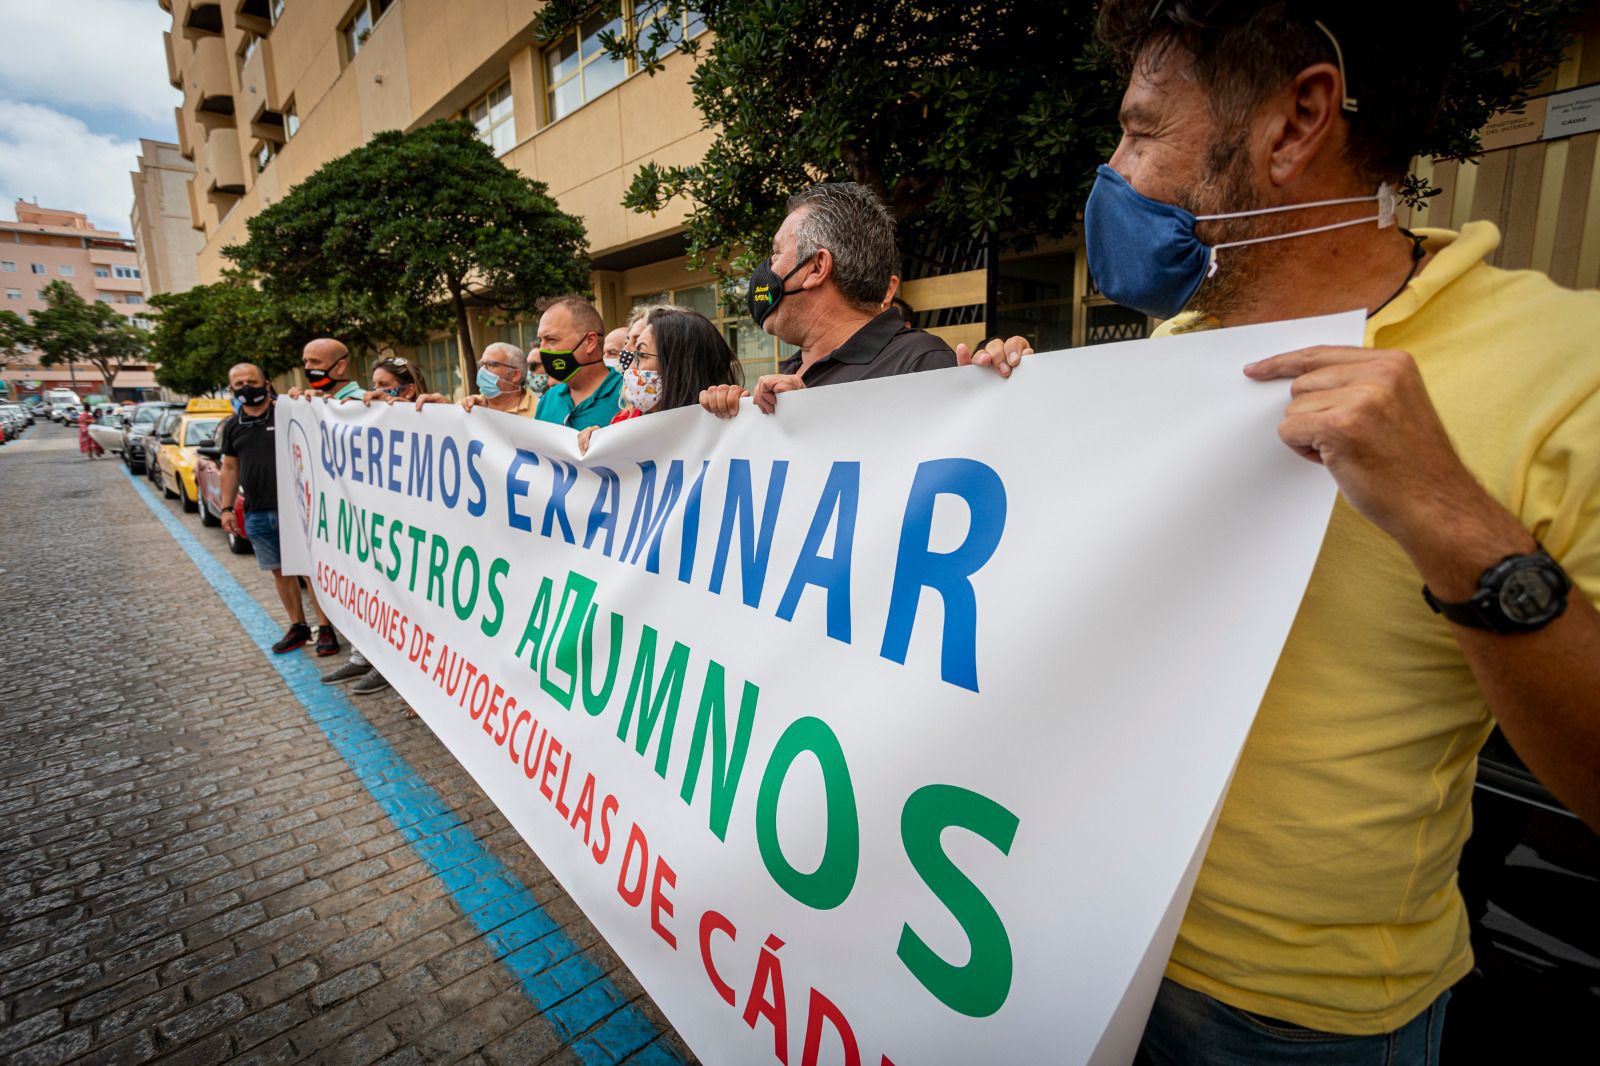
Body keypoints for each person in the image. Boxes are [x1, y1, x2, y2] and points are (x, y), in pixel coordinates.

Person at [1085, 3, 1600, 1062]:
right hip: (1082, 945)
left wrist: (1447, 514)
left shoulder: (1569, 370)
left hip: (1297, 1019)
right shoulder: (1167, 351)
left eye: (1140, 131)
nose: (1113, 169)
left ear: (1296, 122)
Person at [699, 182, 1030, 419]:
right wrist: (728, 421)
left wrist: (1008, 391)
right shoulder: (792, 369)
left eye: (776, 253)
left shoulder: (918, 363)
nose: (767, 268)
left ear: (816, 267)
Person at [314, 355, 434, 700]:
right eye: (375, 384)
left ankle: (391, 668)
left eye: (385, 386)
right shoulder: (371, 415)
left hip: (414, 530)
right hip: (379, 525)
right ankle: (363, 655)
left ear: (408, 389)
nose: (376, 392)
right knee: (370, 590)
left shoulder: (428, 416)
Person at [219, 362, 341, 657]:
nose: (246, 387)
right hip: (257, 510)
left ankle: (325, 628)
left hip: (297, 509)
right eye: (239, 383)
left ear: (267, 383)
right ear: (231, 389)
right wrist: (225, 508)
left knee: (309, 571)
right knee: (280, 572)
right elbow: (230, 468)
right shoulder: (233, 426)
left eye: (252, 380)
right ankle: (298, 625)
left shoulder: (290, 412)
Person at [577, 307, 741, 455]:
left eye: (641, 354)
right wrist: (599, 444)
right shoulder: (624, 422)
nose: (630, 367)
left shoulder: (725, 418)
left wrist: (731, 409)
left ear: (680, 364)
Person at [533, 295, 623, 430]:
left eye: (551, 339)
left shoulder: (627, 395)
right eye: (541, 340)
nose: (542, 349)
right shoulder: (549, 399)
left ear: (590, 341)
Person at [415, 342, 538, 417]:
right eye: (482, 365)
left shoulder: (540, 410)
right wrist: (445, 409)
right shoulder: (469, 405)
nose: (483, 371)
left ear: (515, 375)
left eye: (491, 364)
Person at [289, 337, 364, 402]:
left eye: (315, 362)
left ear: (340, 367)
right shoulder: (315, 397)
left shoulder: (364, 401)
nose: (307, 367)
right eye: (305, 362)